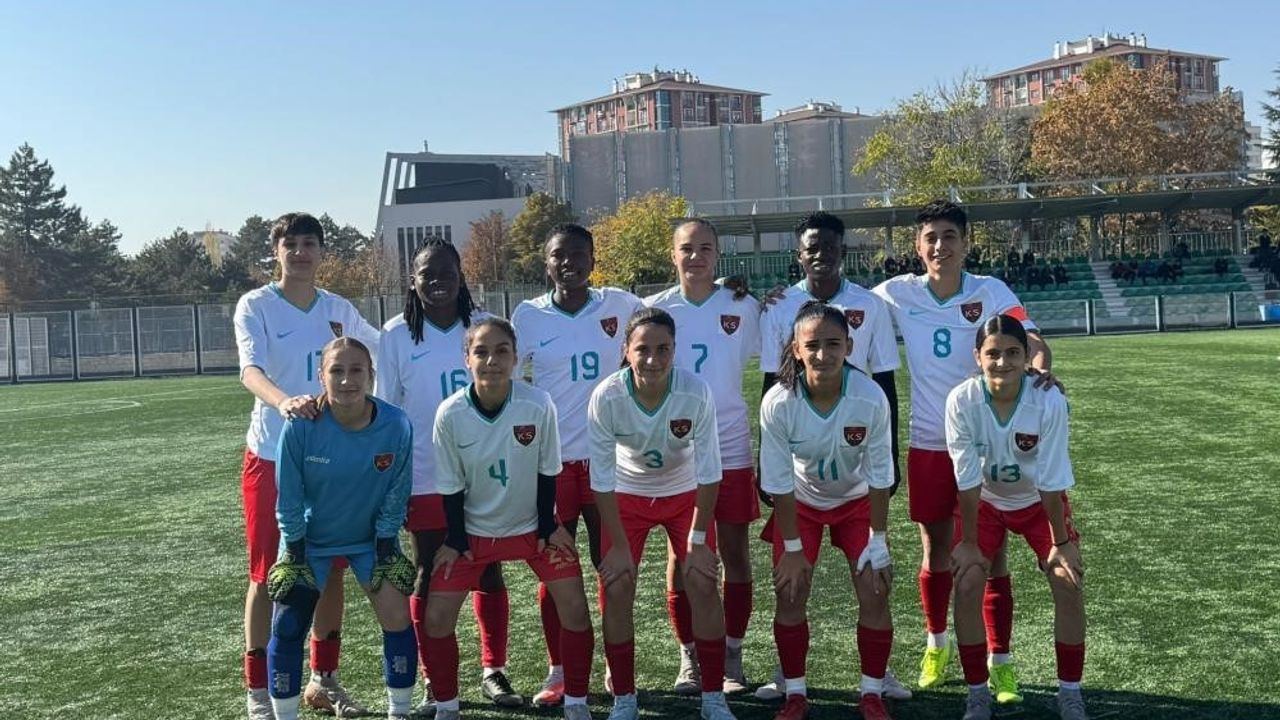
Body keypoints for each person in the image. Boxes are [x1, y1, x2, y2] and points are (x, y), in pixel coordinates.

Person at [873, 200, 1058, 702]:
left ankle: (1002, 662)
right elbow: (839, 307)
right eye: (931, 238)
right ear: (917, 247)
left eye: (949, 236)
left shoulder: (990, 290)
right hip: (931, 443)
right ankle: (937, 645)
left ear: (965, 242)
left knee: (991, 557)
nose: (940, 246)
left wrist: (1040, 369)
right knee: (937, 551)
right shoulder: (895, 293)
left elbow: (1032, 338)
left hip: (989, 442)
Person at [756, 211, 909, 702]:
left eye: (830, 246)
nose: (821, 254)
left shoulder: (870, 305)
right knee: (789, 586)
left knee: (876, 584)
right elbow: (772, 382)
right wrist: (766, 468)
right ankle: (790, 679)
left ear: (844, 250)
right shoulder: (779, 306)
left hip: (856, 469)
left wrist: (890, 461)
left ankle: (877, 679)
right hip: (803, 481)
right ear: (799, 254)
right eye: (811, 247)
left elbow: (885, 380)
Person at [233, 212, 381, 719]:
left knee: (330, 569)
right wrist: (284, 402)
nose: (300, 252)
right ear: (275, 251)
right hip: (273, 456)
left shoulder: (339, 309)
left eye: (309, 244)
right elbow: (250, 370)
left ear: (321, 252)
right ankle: (258, 692)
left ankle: (323, 680)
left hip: (330, 459)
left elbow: (382, 349)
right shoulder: (256, 304)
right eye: (290, 243)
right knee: (266, 574)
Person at [424, 318, 595, 720]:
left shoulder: (537, 403)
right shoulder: (450, 413)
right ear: (466, 359)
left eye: (502, 351)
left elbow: (547, 470)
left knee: (575, 607)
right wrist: (456, 538)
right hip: (473, 535)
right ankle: (446, 707)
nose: (492, 360)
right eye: (481, 352)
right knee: (436, 618)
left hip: (533, 530)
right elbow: (450, 485)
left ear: (516, 357)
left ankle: (577, 702)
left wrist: (548, 526)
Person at [375, 238, 519, 714]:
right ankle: (433, 678)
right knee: (429, 572)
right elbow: (387, 412)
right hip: (424, 475)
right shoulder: (396, 334)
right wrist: (390, 482)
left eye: (447, 273)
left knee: (488, 568)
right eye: (427, 274)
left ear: (462, 277)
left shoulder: (483, 325)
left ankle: (493, 668)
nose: (438, 281)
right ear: (412, 281)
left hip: (485, 473)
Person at [510, 223, 644, 707]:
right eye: (558, 255)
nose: (569, 262)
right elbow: (507, 377)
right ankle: (560, 668)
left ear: (593, 259)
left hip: (608, 461)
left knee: (612, 567)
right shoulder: (528, 315)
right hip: (553, 464)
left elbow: (672, 313)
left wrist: (730, 287)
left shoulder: (621, 305)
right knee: (555, 570)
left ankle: (611, 663)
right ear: (545, 263)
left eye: (578, 254)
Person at [589, 308, 736, 720]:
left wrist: (699, 539)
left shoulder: (694, 391)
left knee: (702, 581)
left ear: (674, 350)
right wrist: (618, 545)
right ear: (626, 350)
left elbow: (710, 471)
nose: (653, 359)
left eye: (663, 349)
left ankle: (713, 697)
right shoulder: (607, 396)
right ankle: (624, 698)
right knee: (617, 586)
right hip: (627, 495)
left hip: (683, 493)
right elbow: (601, 478)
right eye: (643, 349)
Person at [266, 337, 417, 720]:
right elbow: (289, 498)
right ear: (321, 376)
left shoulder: (396, 424)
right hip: (309, 543)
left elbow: (397, 491)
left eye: (356, 370)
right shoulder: (301, 426)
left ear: (371, 375)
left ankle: (398, 712)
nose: (347, 380)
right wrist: (294, 550)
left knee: (398, 616)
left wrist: (386, 543)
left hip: (370, 542)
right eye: (337, 371)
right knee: (288, 626)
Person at [945, 315, 1086, 720]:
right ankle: (977, 693)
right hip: (986, 503)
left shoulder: (1047, 399)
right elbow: (966, 478)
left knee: (1068, 581)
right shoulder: (962, 400)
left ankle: (1070, 692)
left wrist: (1061, 543)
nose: (1002, 362)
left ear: (1027, 356)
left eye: (1012, 353)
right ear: (977, 356)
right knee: (967, 582)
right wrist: (969, 543)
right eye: (993, 353)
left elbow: (1052, 477)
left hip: (1037, 503)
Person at [645, 218, 761, 695]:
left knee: (734, 553)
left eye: (705, 248)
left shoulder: (743, 305)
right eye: (687, 248)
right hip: (676, 452)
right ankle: (689, 656)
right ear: (672, 254)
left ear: (718, 254)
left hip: (730, 446)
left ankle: (732, 655)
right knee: (683, 555)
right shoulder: (653, 309)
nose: (696, 257)